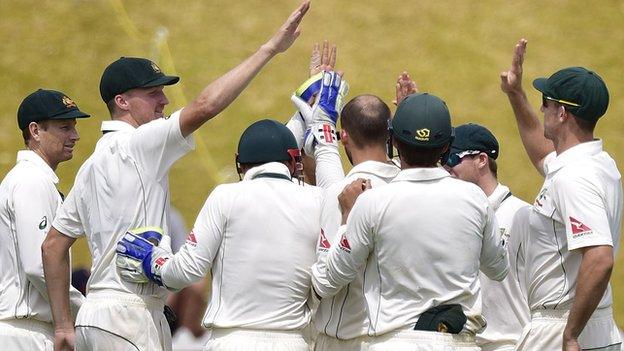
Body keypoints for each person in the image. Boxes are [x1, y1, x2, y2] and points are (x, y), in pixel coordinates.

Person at [41, 2, 311, 350]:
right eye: (153, 93)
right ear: (122, 101)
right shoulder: (140, 144)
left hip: (95, 316)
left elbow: (53, 245)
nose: (165, 100)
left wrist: (64, 324)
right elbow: (205, 107)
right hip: (130, 314)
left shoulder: (91, 166)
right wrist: (269, 49)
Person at [312, 92, 508, 350]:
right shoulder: (474, 198)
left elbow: (331, 278)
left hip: (395, 342)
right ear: (448, 145)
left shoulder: (371, 202)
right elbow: (498, 268)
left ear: (392, 139)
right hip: (459, 343)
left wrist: (348, 219)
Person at [116, 119, 323, 351]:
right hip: (294, 343)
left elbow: (186, 271)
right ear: (293, 163)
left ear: (240, 164)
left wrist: (152, 262)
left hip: (232, 341)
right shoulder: (319, 200)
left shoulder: (225, 196)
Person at [500, 39, 622, 351]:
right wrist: (516, 95)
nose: (543, 108)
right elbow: (543, 152)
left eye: (547, 102)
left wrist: (570, 334)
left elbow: (600, 256)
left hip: (564, 327)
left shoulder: (574, 178)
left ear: (562, 113)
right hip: (591, 324)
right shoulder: (593, 161)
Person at [0, 89, 89, 350]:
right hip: (24, 332)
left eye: (74, 126)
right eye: (64, 127)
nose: (75, 135)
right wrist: (86, 311)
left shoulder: (29, 179)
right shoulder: (32, 181)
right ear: (35, 131)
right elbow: (39, 265)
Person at [444, 123, 530, 350]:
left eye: (452, 158)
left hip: (513, 343)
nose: (445, 167)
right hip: (465, 343)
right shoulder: (449, 214)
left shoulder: (522, 214)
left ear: (482, 160)